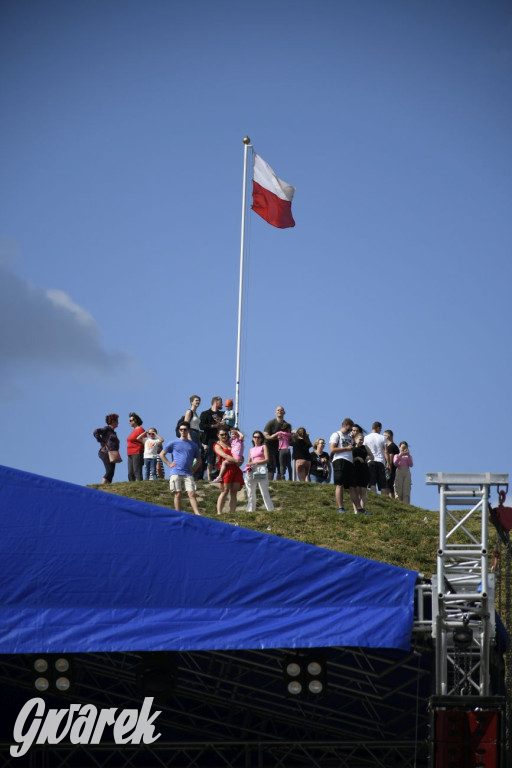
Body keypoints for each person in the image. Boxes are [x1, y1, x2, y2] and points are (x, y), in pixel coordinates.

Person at [160, 424, 202, 515]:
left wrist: (194, 469)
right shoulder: (173, 442)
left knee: (191, 493)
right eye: (181, 429)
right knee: (178, 494)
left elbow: (199, 460)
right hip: (176, 471)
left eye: (185, 429)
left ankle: (197, 513)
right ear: (179, 431)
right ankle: (177, 513)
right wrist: (168, 463)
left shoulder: (193, 445)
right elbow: (162, 454)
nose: (183, 431)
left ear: (188, 430)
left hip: (188, 473)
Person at [329, 418, 359, 514]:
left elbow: (351, 448)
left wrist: (354, 440)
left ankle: (360, 508)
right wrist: (346, 448)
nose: (350, 431)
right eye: (350, 428)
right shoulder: (336, 434)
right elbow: (332, 449)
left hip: (349, 462)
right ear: (345, 425)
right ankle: (340, 507)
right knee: (339, 484)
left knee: (352, 486)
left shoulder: (350, 437)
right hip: (339, 461)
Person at [214, 427, 244, 515]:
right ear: (218, 435)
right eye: (222, 434)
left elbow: (239, 453)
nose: (224, 436)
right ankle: (219, 512)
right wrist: (236, 461)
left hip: (235, 468)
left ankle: (232, 512)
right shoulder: (217, 445)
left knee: (234, 492)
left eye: (226, 434)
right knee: (225, 491)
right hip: (226, 469)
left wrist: (241, 459)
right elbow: (224, 455)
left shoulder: (232, 442)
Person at [244, 430, 274, 511]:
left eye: (258, 437)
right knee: (250, 491)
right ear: (253, 439)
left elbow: (267, 459)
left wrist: (256, 462)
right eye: (255, 437)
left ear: (261, 439)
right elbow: (249, 461)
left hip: (261, 468)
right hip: (252, 469)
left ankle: (270, 510)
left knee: (264, 491)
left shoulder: (263, 446)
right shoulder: (251, 449)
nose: (256, 439)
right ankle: (250, 510)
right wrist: (248, 465)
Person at [199, 396, 225, 480]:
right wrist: (213, 426)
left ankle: (220, 476)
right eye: (221, 402)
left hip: (221, 439)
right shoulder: (205, 413)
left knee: (221, 457)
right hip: (210, 439)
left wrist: (223, 424)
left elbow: (228, 425)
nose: (222, 404)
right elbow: (201, 426)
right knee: (210, 457)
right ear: (216, 401)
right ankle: (209, 477)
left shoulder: (223, 414)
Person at [364, 422, 390, 496]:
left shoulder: (366, 437)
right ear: (378, 428)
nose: (381, 430)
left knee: (372, 482)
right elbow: (386, 451)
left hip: (370, 461)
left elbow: (364, 450)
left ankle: (373, 497)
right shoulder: (382, 438)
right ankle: (384, 499)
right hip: (380, 461)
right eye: (380, 428)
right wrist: (388, 463)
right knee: (382, 483)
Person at [93, 413, 120, 485]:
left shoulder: (113, 431)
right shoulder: (107, 429)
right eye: (117, 421)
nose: (118, 423)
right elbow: (96, 431)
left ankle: (107, 488)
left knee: (112, 472)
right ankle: (102, 487)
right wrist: (101, 441)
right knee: (109, 471)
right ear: (113, 421)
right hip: (105, 452)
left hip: (112, 454)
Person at [263, 406, 289, 480]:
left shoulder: (286, 425)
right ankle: (270, 483)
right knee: (271, 466)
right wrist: (275, 437)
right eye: (278, 410)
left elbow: (289, 437)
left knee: (281, 466)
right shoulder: (271, 423)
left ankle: (278, 484)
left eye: (281, 410)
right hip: (270, 447)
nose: (279, 411)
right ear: (275, 412)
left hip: (281, 448)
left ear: (284, 412)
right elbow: (265, 436)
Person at [352, 432, 374, 514]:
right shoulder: (352, 447)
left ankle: (362, 509)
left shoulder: (365, 447)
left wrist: (368, 457)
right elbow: (349, 459)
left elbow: (372, 456)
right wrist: (356, 458)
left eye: (363, 440)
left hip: (364, 469)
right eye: (360, 439)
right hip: (355, 470)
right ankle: (356, 510)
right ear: (356, 439)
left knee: (363, 491)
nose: (361, 441)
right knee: (356, 491)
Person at [127, 412, 145, 481]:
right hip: (130, 453)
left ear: (135, 420)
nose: (129, 422)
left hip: (137, 452)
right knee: (130, 473)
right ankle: (132, 487)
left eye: (131, 420)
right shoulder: (133, 431)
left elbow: (145, 441)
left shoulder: (141, 430)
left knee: (137, 471)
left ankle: (140, 487)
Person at [384, 429, 399, 498]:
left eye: (385, 435)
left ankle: (387, 498)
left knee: (388, 485)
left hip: (390, 468)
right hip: (392, 468)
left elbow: (391, 457)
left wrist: (388, 465)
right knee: (390, 485)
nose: (383, 436)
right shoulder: (388, 445)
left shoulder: (392, 446)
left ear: (389, 436)